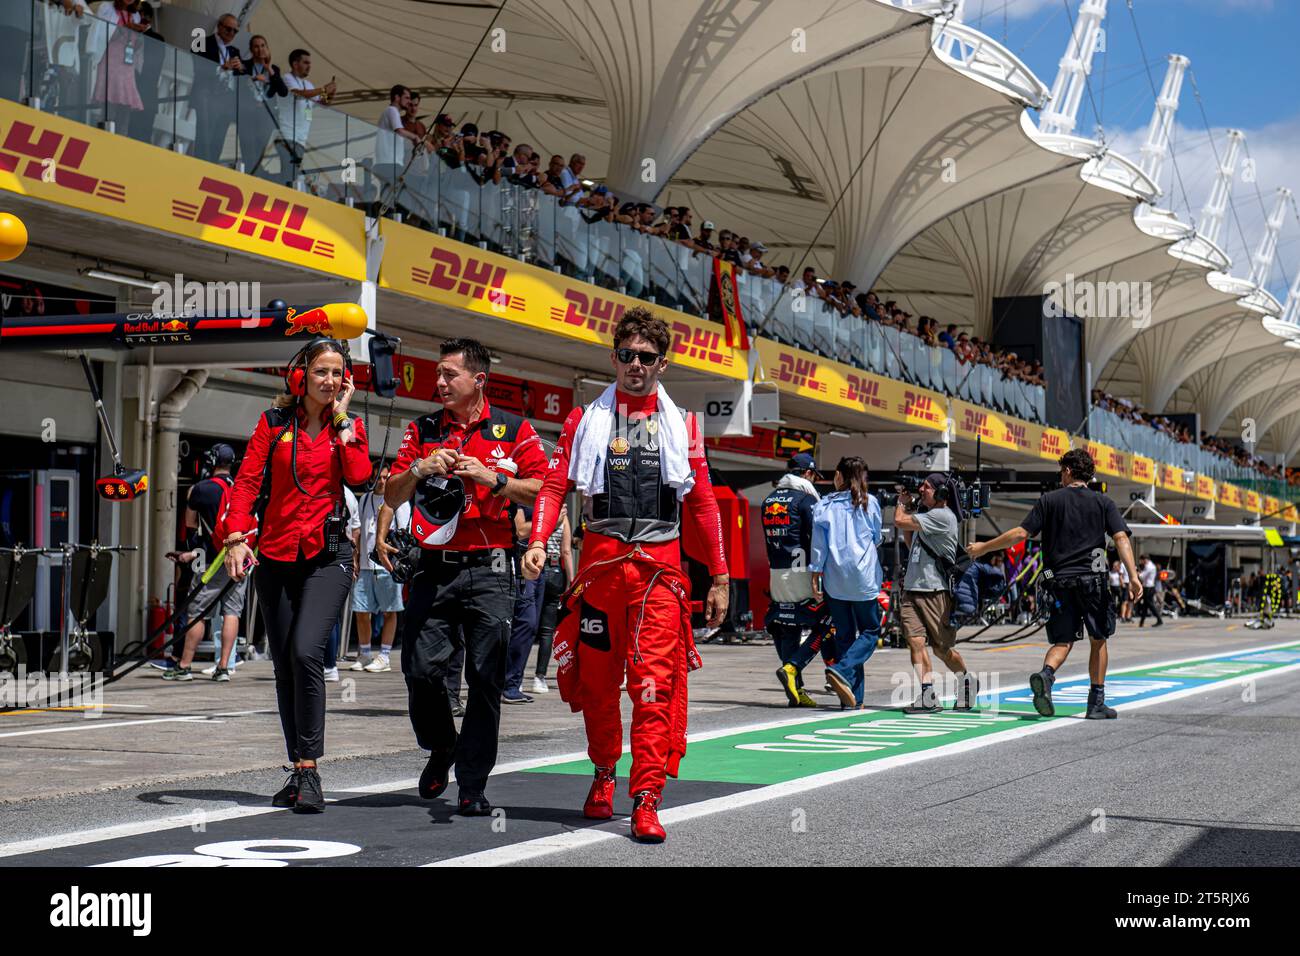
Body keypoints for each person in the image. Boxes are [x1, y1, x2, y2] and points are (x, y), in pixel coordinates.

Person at [522, 308, 729, 843]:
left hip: (660, 577)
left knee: (653, 686)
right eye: (627, 355)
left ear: (662, 364)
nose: (636, 364)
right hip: (599, 576)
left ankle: (646, 798)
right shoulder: (582, 420)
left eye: (646, 357)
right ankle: (602, 772)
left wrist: (721, 577)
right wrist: (539, 541)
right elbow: (553, 486)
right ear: (614, 358)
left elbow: (703, 503)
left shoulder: (684, 425)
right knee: (597, 688)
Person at [385, 338, 548, 817]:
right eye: (437, 373)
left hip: (492, 568)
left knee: (484, 679)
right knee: (419, 671)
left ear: (478, 380)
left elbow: (545, 488)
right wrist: (419, 468)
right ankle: (442, 746)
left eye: (448, 374)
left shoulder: (513, 428)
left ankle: (473, 785)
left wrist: (493, 478)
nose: (438, 382)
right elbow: (391, 493)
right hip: (433, 567)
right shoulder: (422, 429)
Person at [222, 338, 372, 812]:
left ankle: (310, 770)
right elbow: (247, 482)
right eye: (321, 371)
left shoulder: (349, 426)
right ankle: (298, 767)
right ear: (300, 375)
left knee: (307, 651)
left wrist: (342, 419)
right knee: (285, 663)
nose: (329, 381)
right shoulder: (272, 423)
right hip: (276, 555)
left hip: (329, 557)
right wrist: (235, 536)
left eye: (338, 373)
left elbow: (359, 476)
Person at [969, 449, 1141, 720]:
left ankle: (1047, 676)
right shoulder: (1103, 502)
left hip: (1058, 582)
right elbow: (1121, 538)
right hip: (1093, 583)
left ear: (1069, 471)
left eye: (1062, 471)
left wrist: (983, 547)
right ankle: (1096, 703)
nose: (1061, 476)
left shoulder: (1049, 500)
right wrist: (1133, 576)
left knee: (1063, 640)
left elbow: (1020, 534)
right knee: (1098, 640)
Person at [893, 474, 976, 713]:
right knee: (915, 642)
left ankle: (966, 680)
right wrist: (911, 506)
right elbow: (910, 542)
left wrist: (901, 503)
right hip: (912, 589)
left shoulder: (942, 516)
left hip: (935, 591)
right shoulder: (927, 517)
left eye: (927, 487)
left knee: (942, 649)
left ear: (941, 494)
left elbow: (899, 521)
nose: (921, 489)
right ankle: (927, 695)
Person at [164, 443, 246, 682]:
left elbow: (190, 524)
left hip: (212, 560)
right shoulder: (241, 488)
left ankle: (185, 665)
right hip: (240, 559)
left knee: (197, 612)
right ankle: (224, 667)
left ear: (211, 462)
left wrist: (193, 552)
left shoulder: (201, 489)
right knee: (232, 612)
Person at [812, 457, 883, 711]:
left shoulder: (824, 504)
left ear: (839, 476)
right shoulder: (869, 502)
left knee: (844, 635)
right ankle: (842, 670)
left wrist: (815, 574)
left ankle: (853, 699)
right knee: (870, 631)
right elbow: (876, 537)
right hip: (863, 578)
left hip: (835, 579)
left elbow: (818, 546)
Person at [763, 453, 829, 708]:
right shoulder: (806, 499)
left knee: (785, 624)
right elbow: (817, 537)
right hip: (801, 573)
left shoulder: (770, 499)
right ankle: (793, 667)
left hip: (776, 572)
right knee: (829, 622)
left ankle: (796, 689)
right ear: (808, 473)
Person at [346, 464, 409, 673]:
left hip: (387, 565)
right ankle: (364, 654)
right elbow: (359, 531)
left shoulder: (398, 500)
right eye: (378, 478)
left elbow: (403, 533)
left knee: (389, 611)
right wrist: (355, 558)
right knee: (361, 610)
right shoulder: (365, 499)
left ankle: (384, 656)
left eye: (385, 477)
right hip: (366, 565)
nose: (382, 482)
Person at [530, 503, 575, 695]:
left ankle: (513, 677)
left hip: (535, 568)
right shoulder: (563, 518)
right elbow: (566, 551)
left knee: (529, 624)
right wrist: (572, 580)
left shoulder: (538, 514)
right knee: (547, 630)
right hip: (555, 570)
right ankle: (540, 677)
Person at [276, 49, 335, 183]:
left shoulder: (308, 84)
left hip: (301, 139)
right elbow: (299, 94)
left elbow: (323, 102)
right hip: (288, 135)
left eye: (310, 63)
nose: (309, 66)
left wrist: (331, 94)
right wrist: (323, 89)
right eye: (306, 62)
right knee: (289, 174)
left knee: (293, 175)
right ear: (295, 64)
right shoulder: (287, 78)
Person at [192, 12, 243, 164]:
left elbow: (240, 76)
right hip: (207, 95)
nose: (231, 33)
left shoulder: (234, 51)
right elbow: (198, 67)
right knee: (204, 135)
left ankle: (212, 167)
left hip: (226, 99)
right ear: (219, 26)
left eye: (235, 31)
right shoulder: (202, 41)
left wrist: (241, 68)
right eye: (228, 29)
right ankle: (200, 166)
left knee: (219, 138)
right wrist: (221, 67)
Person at [237, 33, 287, 176]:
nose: (260, 49)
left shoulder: (274, 69)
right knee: (247, 147)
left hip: (265, 116)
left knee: (260, 148)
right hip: (247, 114)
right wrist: (253, 78)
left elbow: (283, 92)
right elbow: (237, 85)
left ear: (267, 48)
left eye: (263, 46)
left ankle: (256, 174)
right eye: (256, 46)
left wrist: (269, 68)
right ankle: (250, 174)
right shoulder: (244, 65)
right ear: (251, 50)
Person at [1135, 555, 1163, 627]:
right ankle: (1141, 622)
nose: (1141, 562)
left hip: (1148, 588)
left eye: (1141, 560)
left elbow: (1142, 576)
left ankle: (1159, 619)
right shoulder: (1150, 565)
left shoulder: (1149, 566)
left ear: (1145, 559)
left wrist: (1137, 572)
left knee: (1150, 604)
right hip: (1148, 587)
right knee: (1145, 605)